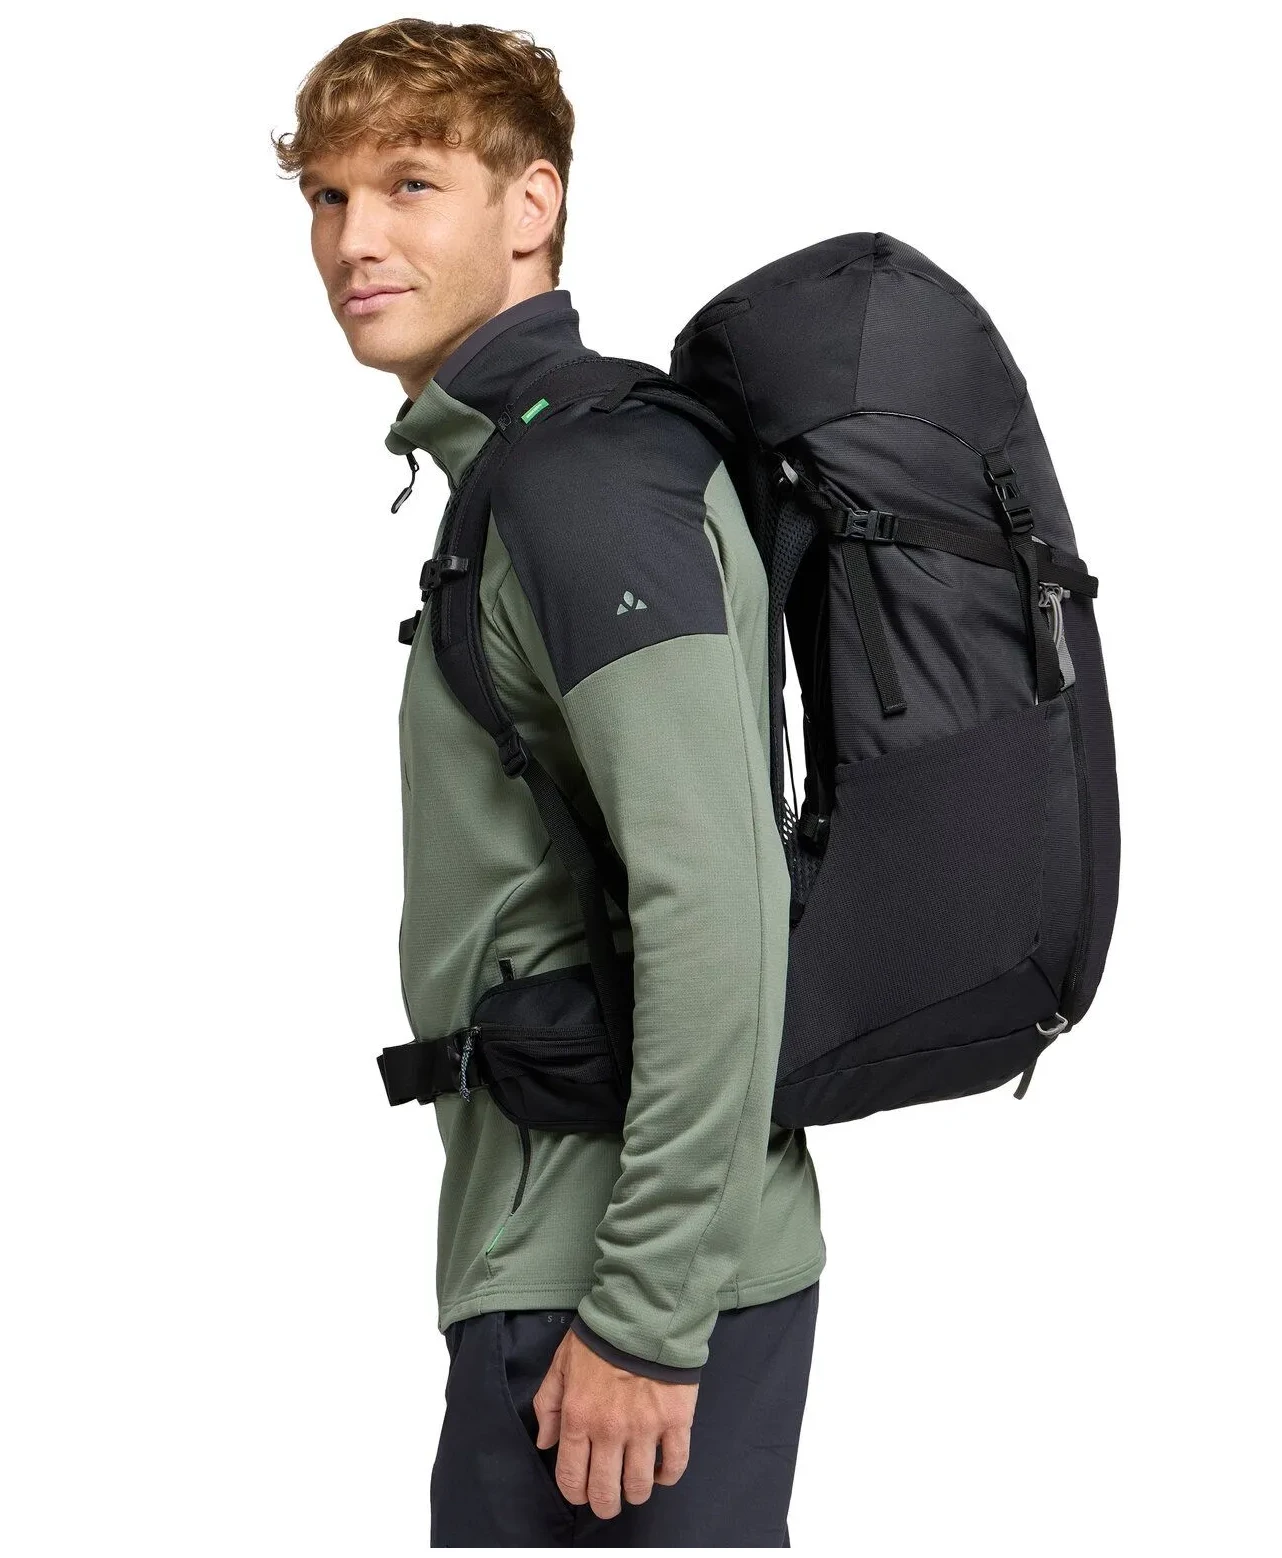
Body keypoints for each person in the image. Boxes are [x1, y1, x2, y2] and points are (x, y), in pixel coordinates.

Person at [274, 20, 827, 1547]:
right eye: (326, 196)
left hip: (613, 1287)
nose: (353, 238)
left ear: (531, 204)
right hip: (575, 1261)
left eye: (409, 183)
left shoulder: (582, 483)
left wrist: (642, 1313)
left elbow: (714, 895)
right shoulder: (530, 467)